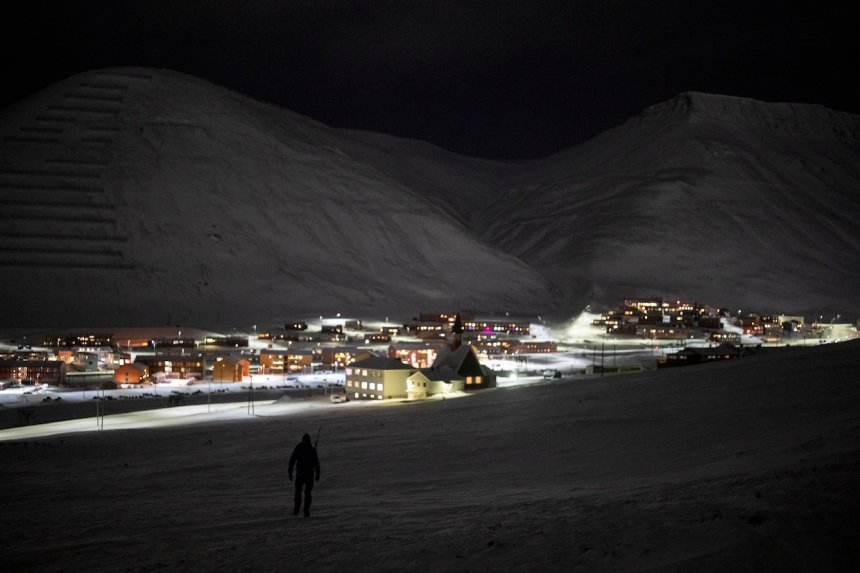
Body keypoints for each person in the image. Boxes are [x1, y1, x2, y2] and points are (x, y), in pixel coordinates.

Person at [288, 432, 321, 517]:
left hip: (302, 474)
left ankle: (298, 510)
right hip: (308, 475)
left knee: (300, 492)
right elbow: (316, 463)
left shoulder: (299, 448)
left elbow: (292, 460)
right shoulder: (312, 449)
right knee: (306, 493)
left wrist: (290, 472)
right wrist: (317, 474)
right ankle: (305, 511)